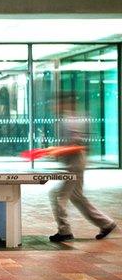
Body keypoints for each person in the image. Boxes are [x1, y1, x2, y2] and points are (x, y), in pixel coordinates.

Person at [49, 95, 116, 242]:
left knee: (57, 195)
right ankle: (106, 224)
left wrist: (57, 151)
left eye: (55, 103)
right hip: (75, 162)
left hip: (75, 164)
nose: (53, 106)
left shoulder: (69, 121)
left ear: (64, 104)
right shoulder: (69, 119)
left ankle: (64, 230)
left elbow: (76, 144)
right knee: (77, 197)